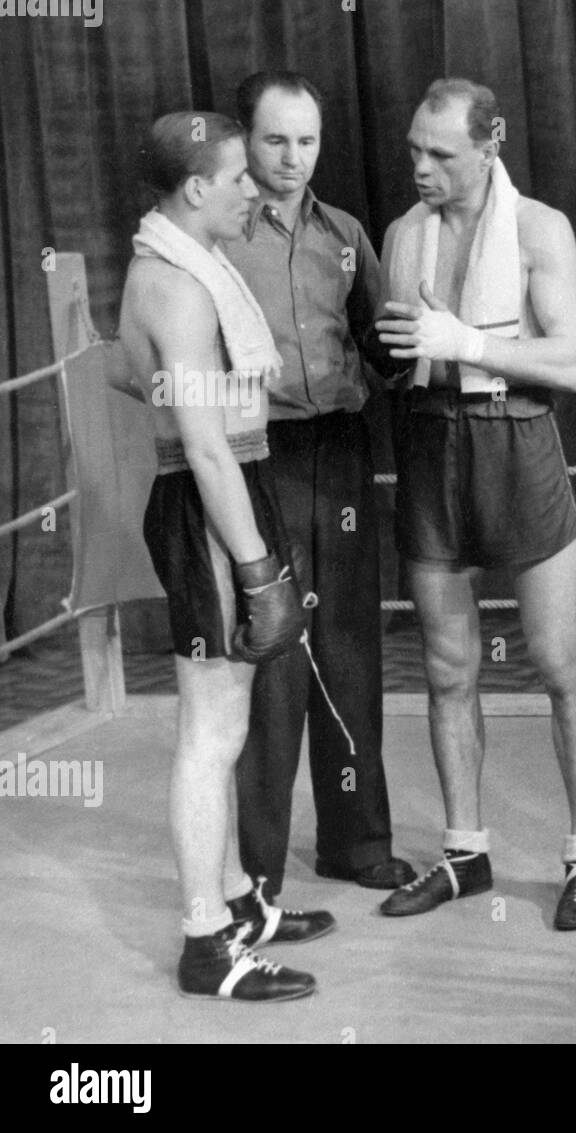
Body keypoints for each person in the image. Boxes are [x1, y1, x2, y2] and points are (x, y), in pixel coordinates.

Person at [374, 78, 576, 930]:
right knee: (445, 668)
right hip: (434, 443)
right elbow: (402, 352)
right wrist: (402, 354)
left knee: (555, 659)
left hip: (516, 440)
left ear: (491, 143)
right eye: (413, 150)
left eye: (440, 153)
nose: (422, 166)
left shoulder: (541, 228)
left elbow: (573, 363)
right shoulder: (405, 234)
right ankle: (465, 852)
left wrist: (469, 342)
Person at [119, 110, 334, 1001]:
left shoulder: (176, 268)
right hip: (210, 501)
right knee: (210, 734)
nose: (257, 187)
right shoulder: (174, 286)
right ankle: (206, 942)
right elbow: (205, 446)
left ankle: (241, 899)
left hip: (227, 490)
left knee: (229, 722)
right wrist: (255, 568)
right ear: (197, 188)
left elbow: (139, 381)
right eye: (241, 175)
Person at [223, 72, 415, 899]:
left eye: (307, 140)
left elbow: (383, 340)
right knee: (273, 662)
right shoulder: (219, 237)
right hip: (256, 454)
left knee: (347, 651)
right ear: (246, 139)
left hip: (341, 450)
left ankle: (357, 845)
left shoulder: (345, 232)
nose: (293, 157)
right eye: (274, 140)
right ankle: (258, 876)